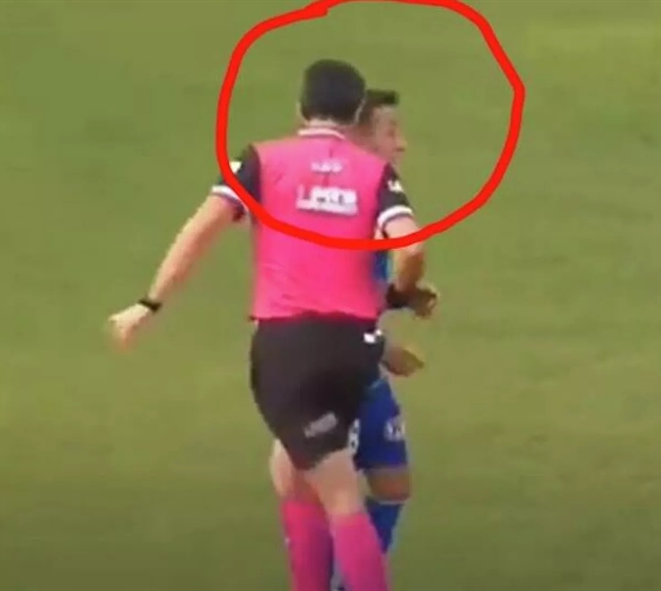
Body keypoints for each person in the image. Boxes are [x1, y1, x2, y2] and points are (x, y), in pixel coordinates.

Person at [107, 59, 431, 591]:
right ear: (355, 113)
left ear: (300, 109)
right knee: (300, 478)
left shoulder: (261, 160)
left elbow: (202, 229)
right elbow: (411, 248)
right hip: (355, 350)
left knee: (337, 495)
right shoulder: (375, 174)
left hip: (288, 348)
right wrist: (398, 293)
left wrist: (150, 303)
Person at [328, 88, 430, 591]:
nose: (402, 144)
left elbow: (357, 289)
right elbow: (325, 302)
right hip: (331, 377)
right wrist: (385, 349)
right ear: (359, 136)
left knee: (392, 485)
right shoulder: (342, 207)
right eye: (391, 131)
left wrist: (397, 298)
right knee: (334, 501)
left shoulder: (372, 198)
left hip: (362, 371)